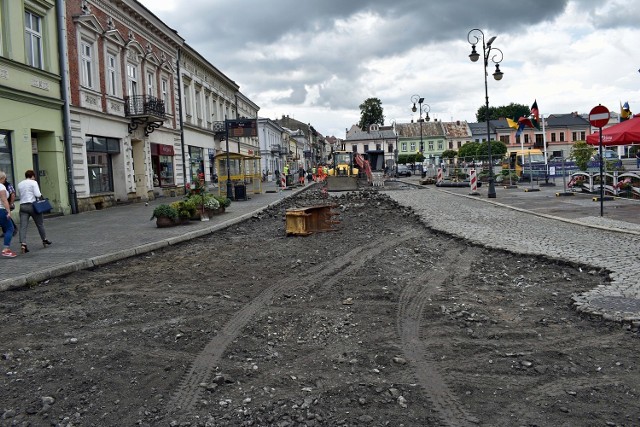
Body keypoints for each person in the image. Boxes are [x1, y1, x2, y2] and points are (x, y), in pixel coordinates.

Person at [17, 169, 52, 254]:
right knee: (40, 224)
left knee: (23, 226)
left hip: (23, 206)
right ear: (32, 176)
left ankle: (23, 244)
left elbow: (20, 194)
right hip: (33, 206)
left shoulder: (20, 184)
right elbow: (37, 194)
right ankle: (44, 239)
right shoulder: (34, 182)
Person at [0, 171, 16, 258]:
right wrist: (8, 211)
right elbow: (4, 200)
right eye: (4, 178)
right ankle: (6, 249)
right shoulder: (1, 187)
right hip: (1, 210)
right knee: (10, 228)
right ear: (2, 178)